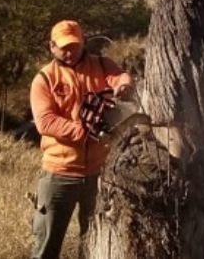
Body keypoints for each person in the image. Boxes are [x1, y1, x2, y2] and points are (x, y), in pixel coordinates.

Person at [29, 20, 133, 259]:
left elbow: (121, 76)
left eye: (75, 46)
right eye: (64, 47)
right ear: (51, 47)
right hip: (59, 174)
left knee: (93, 242)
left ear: (83, 43)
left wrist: (124, 86)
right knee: (46, 245)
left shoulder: (101, 65)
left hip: (97, 174)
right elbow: (46, 122)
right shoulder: (44, 80)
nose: (70, 52)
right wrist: (86, 129)